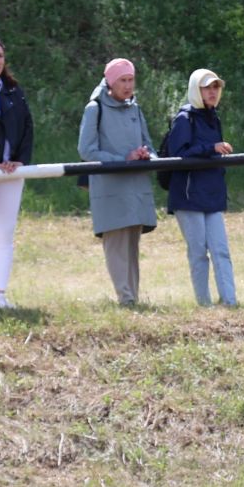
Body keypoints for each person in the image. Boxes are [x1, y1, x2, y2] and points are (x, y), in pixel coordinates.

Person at [78, 57, 157, 306]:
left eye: (131, 79)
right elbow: (86, 150)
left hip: (136, 188)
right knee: (116, 244)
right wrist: (122, 159)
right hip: (109, 188)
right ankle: (125, 298)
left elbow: (150, 145)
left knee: (132, 245)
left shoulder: (136, 108)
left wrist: (147, 155)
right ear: (111, 82)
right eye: (122, 80)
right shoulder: (95, 108)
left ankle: (132, 296)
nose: (127, 85)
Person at [163, 68, 237, 307]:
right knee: (198, 254)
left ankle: (230, 301)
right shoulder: (184, 119)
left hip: (212, 194)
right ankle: (204, 305)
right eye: (207, 87)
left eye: (216, 87)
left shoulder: (214, 117)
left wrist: (213, 149)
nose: (213, 91)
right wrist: (211, 148)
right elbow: (178, 155)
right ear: (196, 90)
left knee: (221, 250)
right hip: (187, 196)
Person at [0, 34, 30, 311]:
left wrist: (20, 160)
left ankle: (0, 294)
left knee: (5, 232)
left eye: (0, 56)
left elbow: (27, 126)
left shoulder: (13, 90)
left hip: (12, 172)